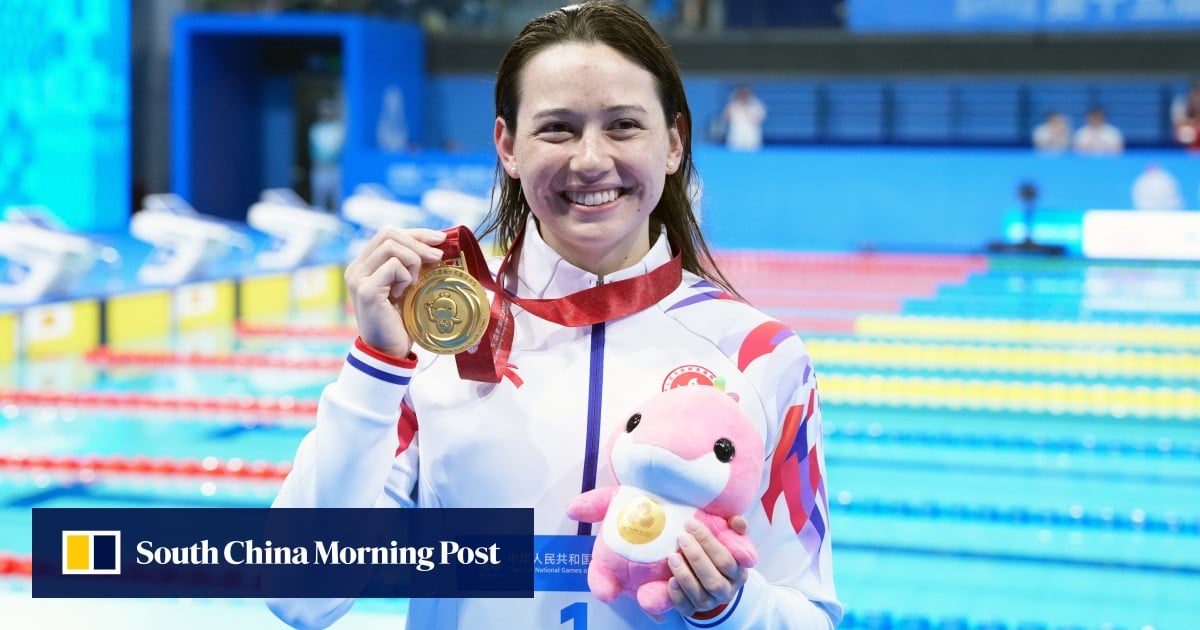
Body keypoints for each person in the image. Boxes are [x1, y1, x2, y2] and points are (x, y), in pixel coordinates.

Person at [268, 2, 841, 629]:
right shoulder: (432, 340)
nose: (590, 159)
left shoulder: (760, 354)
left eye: (623, 125)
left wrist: (733, 607)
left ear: (674, 143)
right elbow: (301, 595)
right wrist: (375, 367)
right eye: (558, 129)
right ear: (507, 146)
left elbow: (809, 613)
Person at [309, 97, 346, 211]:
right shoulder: (315, 129)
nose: (326, 112)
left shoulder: (339, 129)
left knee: (337, 201)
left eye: (328, 109)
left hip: (335, 170)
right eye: (323, 110)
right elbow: (313, 150)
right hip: (320, 170)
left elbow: (341, 149)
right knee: (319, 202)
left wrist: (331, 159)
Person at [721, 85, 767, 151]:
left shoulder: (756, 104)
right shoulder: (732, 104)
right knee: (734, 152)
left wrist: (747, 108)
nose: (743, 95)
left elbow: (760, 118)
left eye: (745, 93)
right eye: (741, 93)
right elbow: (725, 117)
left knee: (752, 152)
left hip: (751, 132)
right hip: (736, 132)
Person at [1170, 79, 1200, 150]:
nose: (1197, 99)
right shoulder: (1182, 103)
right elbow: (1179, 132)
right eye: (1196, 93)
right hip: (1189, 154)